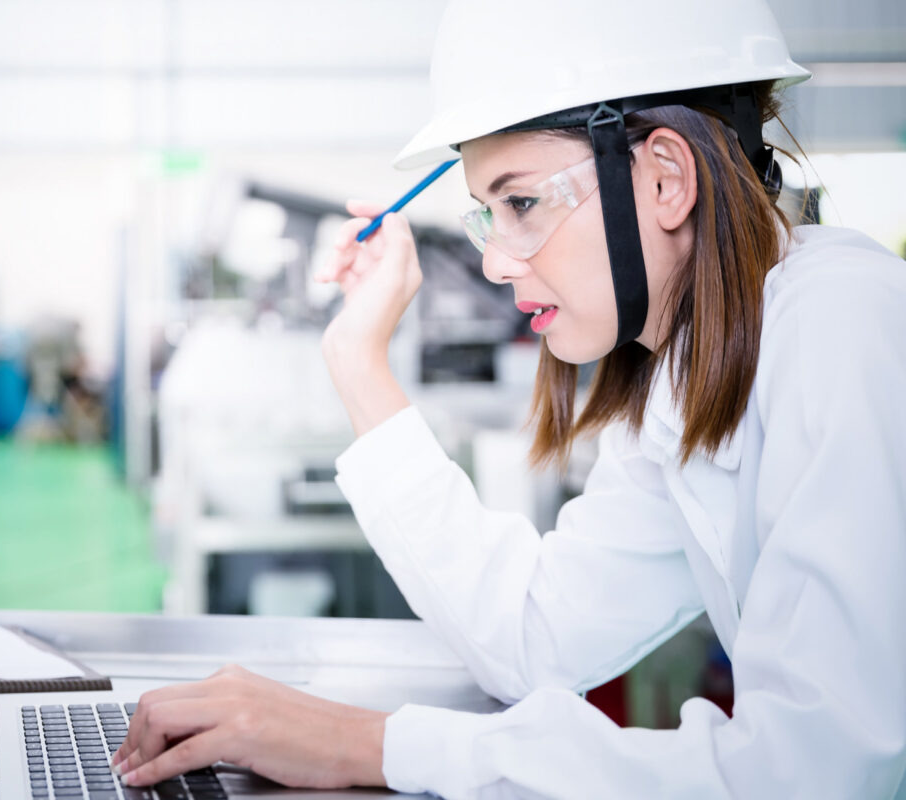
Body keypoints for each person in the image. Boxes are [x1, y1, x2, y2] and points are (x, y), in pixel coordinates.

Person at [111, 1, 906, 796]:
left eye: (520, 203)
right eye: (488, 213)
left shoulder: (846, 325)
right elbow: (539, 637)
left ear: (667, 177)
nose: (494, 262)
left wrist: (371, 745)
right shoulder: (684, 380)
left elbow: (823, 772)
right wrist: (358, 360)